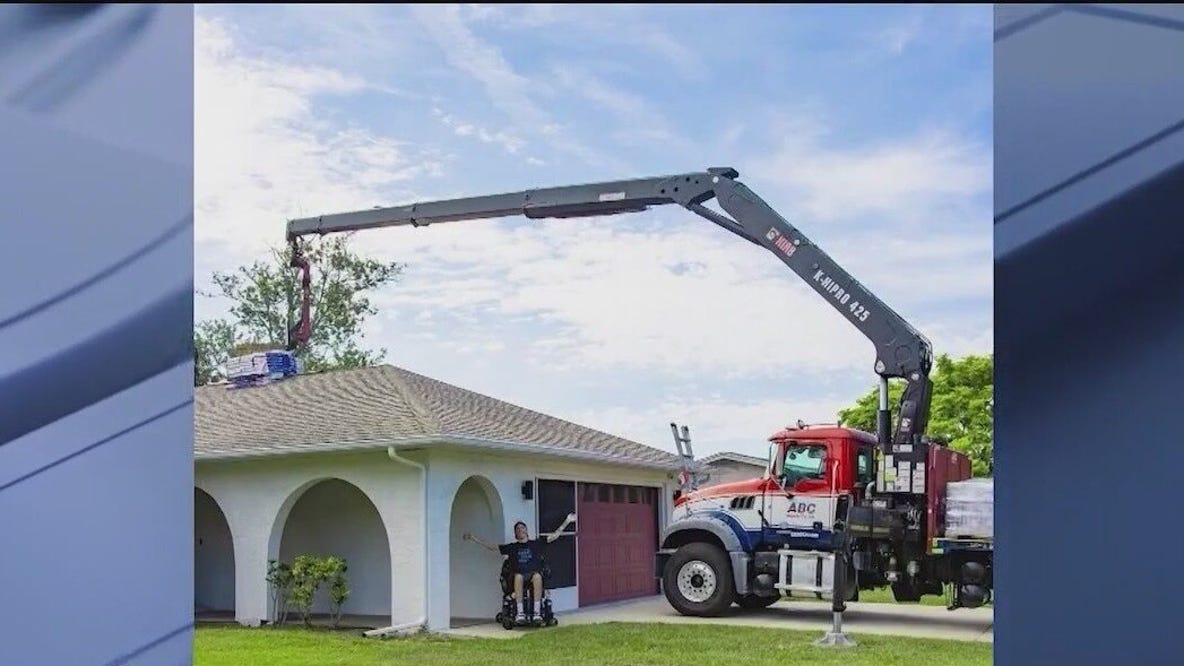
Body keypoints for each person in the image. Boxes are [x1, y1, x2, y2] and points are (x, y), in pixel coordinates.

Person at [464, 512, 575, 622]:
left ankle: (537, 613)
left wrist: (567, 521)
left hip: (533, 575)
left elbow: (554, 536)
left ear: (526, 530)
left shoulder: (535, 544)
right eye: (517, 529)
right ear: (515, 534)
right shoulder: (512, 547)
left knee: (537, 576)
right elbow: (492, 547)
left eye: (522, 527)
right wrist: (474, 539)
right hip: (518, 576)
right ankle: (520, 613)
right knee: (518, 576)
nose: (520, 530)